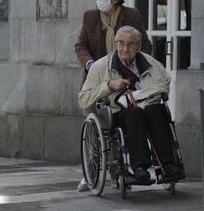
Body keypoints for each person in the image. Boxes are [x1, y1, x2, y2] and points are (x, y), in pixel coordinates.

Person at [78, 25, 184, 183]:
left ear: (139, 47)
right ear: (115, 44)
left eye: (130, 44)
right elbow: (83, 99)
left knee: (155, 110)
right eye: (120, 43)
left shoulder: (152, 64)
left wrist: (140, 97)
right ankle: (140, 168)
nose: (124, 48)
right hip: (117, 113)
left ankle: (168, 166)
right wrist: (108, 86)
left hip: (149, 108)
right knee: (136, 114)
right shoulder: (101, 67)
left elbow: (163, 86)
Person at [74, 0, 152, 191]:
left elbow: (145, 45)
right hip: (96, 80)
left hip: (124, 79)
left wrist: (133, 66)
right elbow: (80, 45)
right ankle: (89, 172)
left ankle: (117, 172)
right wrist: (90, 64)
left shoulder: (131, 15)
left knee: (119, 124)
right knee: (95, 127)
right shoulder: (90, 17)